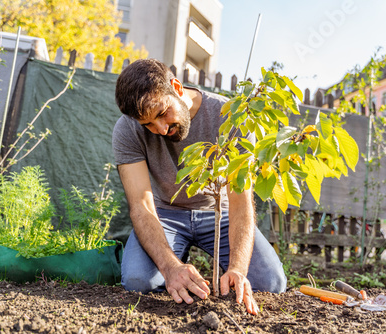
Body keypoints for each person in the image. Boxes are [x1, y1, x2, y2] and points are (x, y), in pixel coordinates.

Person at [112, 58, 287, 315]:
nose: (159, 128)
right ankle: (177, 264)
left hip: (221, 213)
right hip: (165, 215)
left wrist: (237, 268)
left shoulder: (230, 117)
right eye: (148, 124)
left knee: (270, 282)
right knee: (140, 282)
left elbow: (241, 202)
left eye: (162, 113)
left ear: (176, 87)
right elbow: (141, 206)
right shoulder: (127, 130)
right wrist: (171, 268)